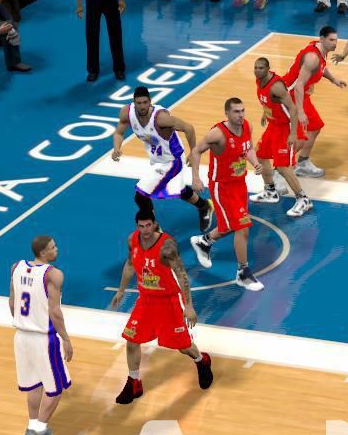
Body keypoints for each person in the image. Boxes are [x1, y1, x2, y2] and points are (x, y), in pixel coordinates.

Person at [109, 209, 213, 404]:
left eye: (149, 225)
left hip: (168, 302)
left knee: (183, 346)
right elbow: (130, 264)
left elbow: (182, 275)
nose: (145, 230)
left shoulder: (167, 246)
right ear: (137, 226)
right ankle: (134, 382)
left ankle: (202, 360)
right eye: (141, 226)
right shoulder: (132, 240)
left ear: (155, 224)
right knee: (131, 340)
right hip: (145, 300)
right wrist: (121, 290)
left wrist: (188, 306)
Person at [189, 98, 264, 291]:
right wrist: (195, 178)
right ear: (227, 114)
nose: (241, 115)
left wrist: (255, 163)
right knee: (242, 227)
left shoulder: (247, 126)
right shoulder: (217, 134)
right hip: (222, 187)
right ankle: (243, 273)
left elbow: (248, 148)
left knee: (231, 225)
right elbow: (196, 152)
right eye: (236, 111)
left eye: (242, 110)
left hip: (239, 183)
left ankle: (204, 241)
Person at [112, 86, 213, 230]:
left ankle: (154, 229)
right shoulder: (127, 113)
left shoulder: (161, 118)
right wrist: (117, 148)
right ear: (134, 102)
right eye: (139, 103)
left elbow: (189, 128)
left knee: (141, 195)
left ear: (150, 102)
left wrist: (193, 152)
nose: (142, 106)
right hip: (157, 159)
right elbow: (118, 133)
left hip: (172, 160)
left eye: (145, 102)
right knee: (176, 189)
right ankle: (204, 206)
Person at [10, 235, 73, 435]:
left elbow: (12, 301)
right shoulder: (53, 274)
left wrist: (23, 323)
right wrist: (66, 338)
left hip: (21, 336)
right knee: (56, 389)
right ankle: (37, 432)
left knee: (35, 384)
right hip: (43, 339)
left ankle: (32, 427)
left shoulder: (16, 267)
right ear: (44, 252)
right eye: (53, 247)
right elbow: (55, 311)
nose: (57, 249)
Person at [250, 57, 311, 216]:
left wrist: (293, 133)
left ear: (268, 69)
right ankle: (270, 191)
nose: (257, 70)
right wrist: (265, 112)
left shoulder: (276, 86)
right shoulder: (259, 81)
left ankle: (303, 199)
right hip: (273, 125)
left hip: (286, 127)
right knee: (260, 155)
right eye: (256, 67)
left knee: (283, 166)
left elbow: (293, 109)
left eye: (261, 68)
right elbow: (270, 101)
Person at [284, 26, 346, 181]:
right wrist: (300, 111)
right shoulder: (313, 57)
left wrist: (334, 79)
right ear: (322, 39)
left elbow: (321, 68)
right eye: (331, 40)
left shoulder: (320, 50)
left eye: (336, 40)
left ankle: (302, 163)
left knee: (314, 127)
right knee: (302, 134)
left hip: (301, 95)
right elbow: (298, 85)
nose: (334, 43)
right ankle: (281, 166)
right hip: (291, 96)